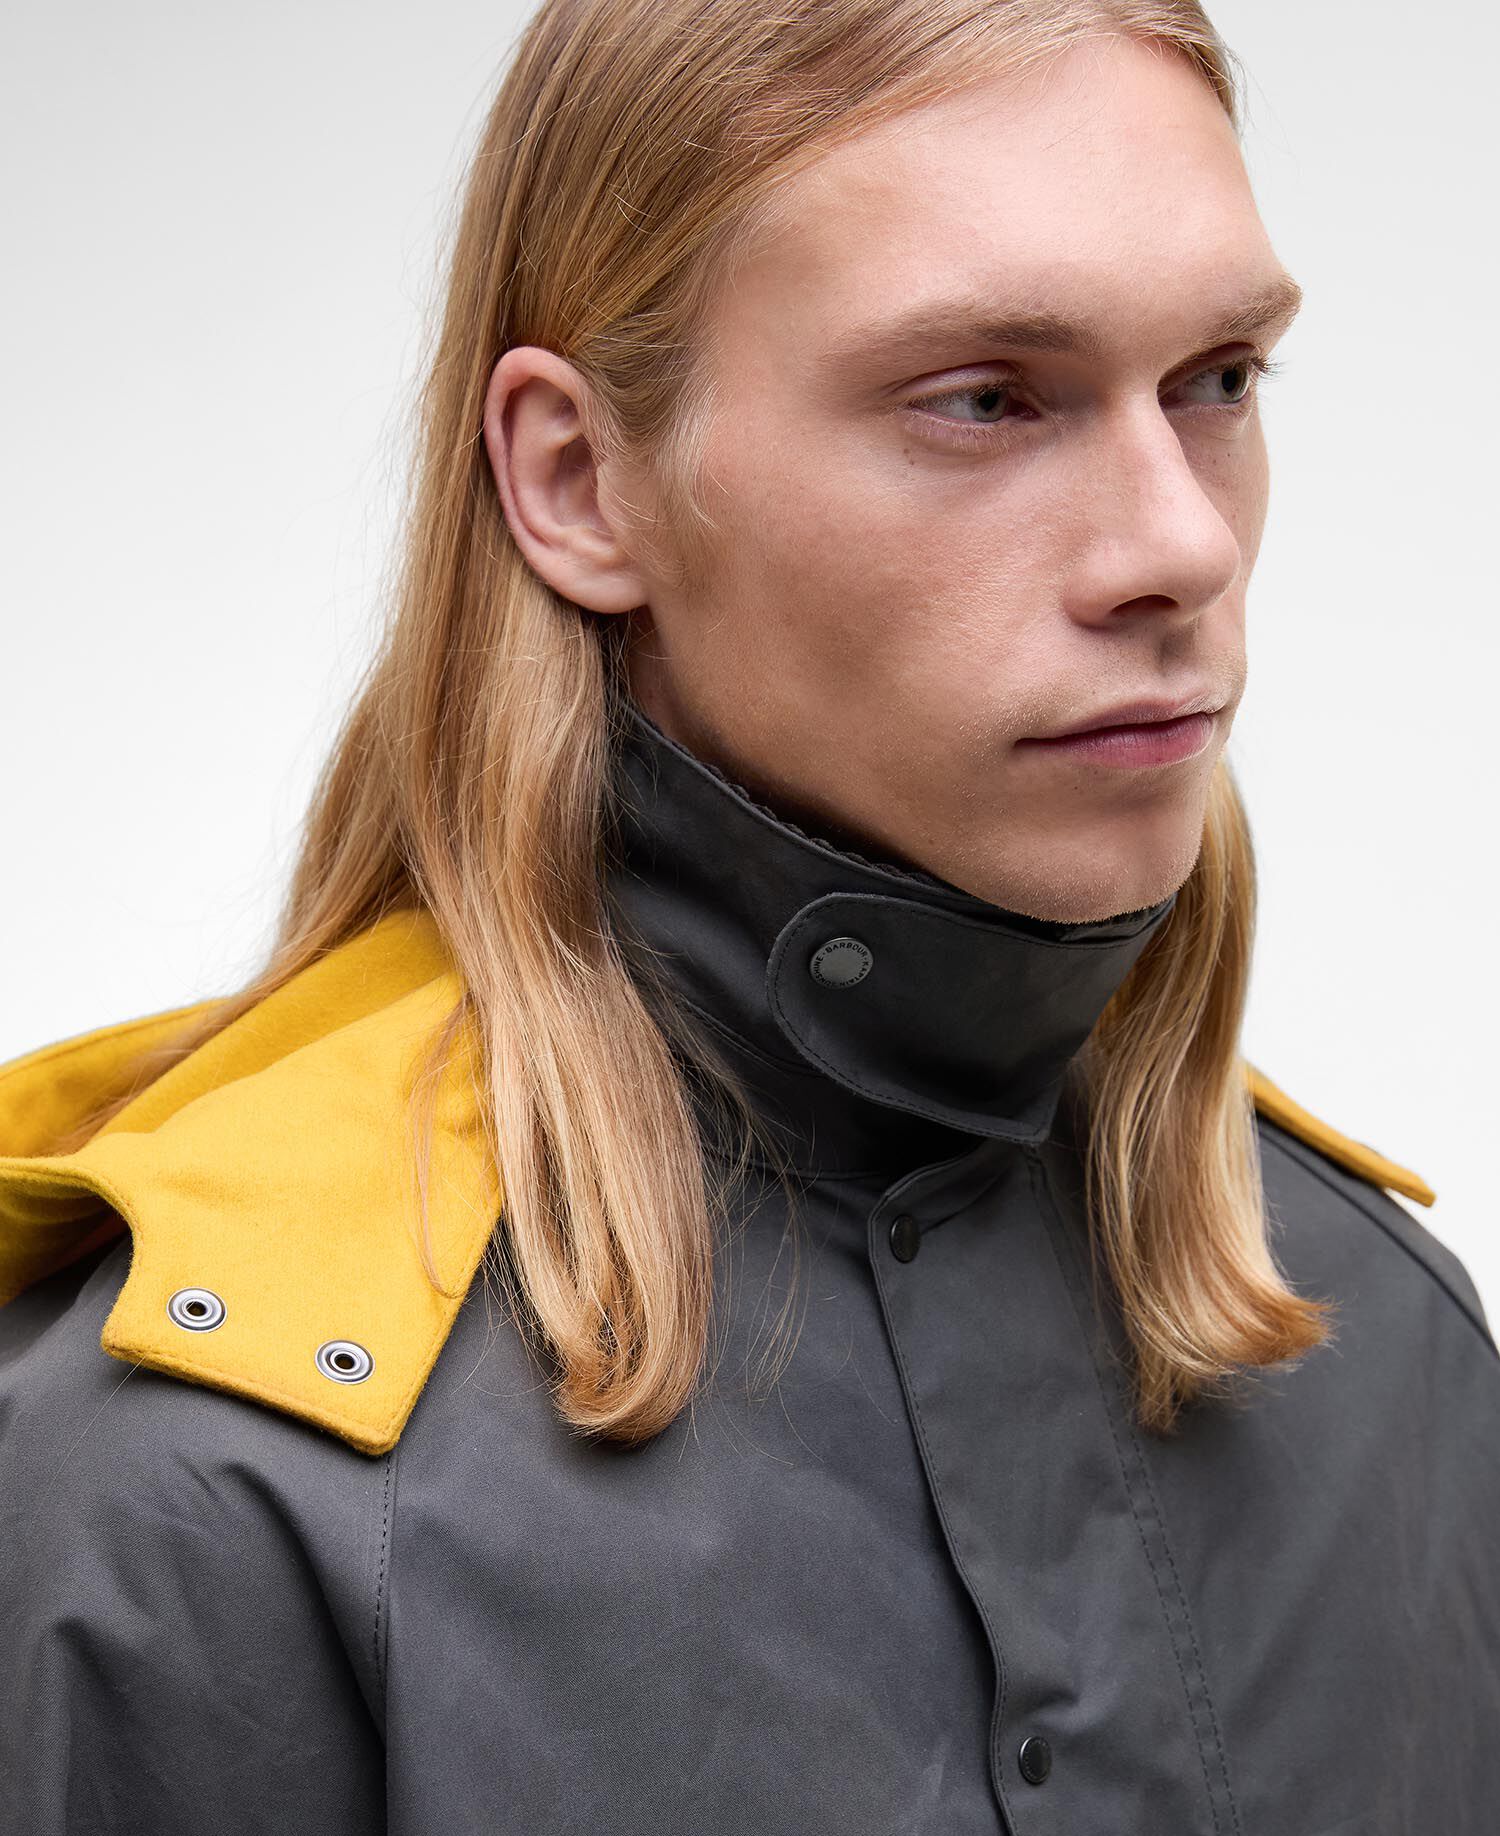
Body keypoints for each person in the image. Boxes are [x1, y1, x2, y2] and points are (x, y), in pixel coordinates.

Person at [1, 0, 1495, 1829]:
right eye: (986, 398)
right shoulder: (211, 1485)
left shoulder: (1388, 1349)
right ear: (581, 481)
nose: (1183, 544)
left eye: (1221, 379)